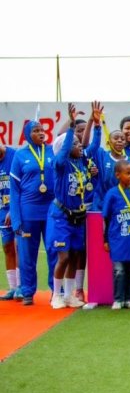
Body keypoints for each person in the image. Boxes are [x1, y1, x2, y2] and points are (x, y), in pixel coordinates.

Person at [48, 104, 97, 309]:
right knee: (64, 256)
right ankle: (56, 295)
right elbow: (64, 150)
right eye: (75, 144)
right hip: (62, 216)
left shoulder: (80, 163)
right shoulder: (61, 165)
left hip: (78, 216)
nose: (80, 146)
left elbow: (92, 146)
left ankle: (69, 295)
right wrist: (70, 128)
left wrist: (96, 124)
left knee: (76, 255)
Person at [10, 120, 56, 306]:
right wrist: (16, 219)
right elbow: (14, 190)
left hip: (51, 211)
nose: (41, 133)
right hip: (28, 211)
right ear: (28, 135)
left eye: (42, 130)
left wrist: (70, 124)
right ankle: (28, 291)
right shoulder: (20, 155)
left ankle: (56, 291)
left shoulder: (52, 151)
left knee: (54, 250)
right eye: (36, 131)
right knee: (27, 254)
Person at [101, 160, 130, 310]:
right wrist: (105, 239)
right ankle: (118, 300)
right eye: (128, 173)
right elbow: (106, 218)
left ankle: (129, 299)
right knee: (119, 271)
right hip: (117, 238)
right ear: (118, 175)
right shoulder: (112, 194)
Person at [0, 143, 20, 300]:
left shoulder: (15, 155)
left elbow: (21, 185)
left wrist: (13, 208)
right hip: (2, 209)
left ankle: (21, 286)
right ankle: (12, 288)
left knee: (20, 247)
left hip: (17, 208)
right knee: (7, 247)